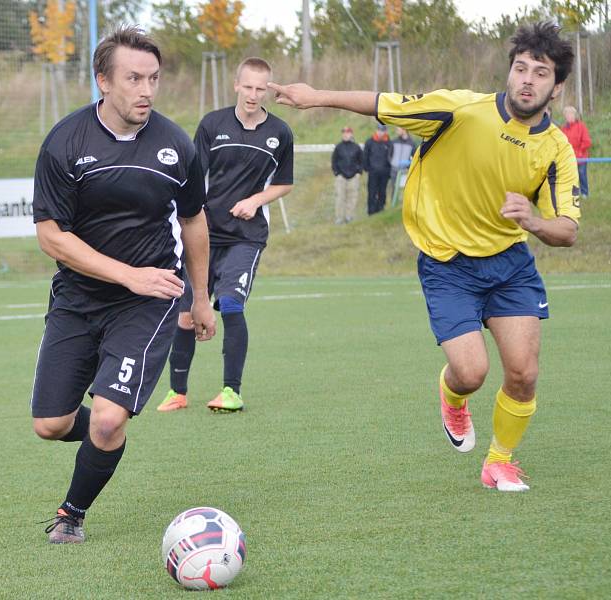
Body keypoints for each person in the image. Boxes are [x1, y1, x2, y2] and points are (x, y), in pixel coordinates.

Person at [270, 21, 580, 492]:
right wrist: (316, 96)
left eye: (540, 73)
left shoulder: (557, 148)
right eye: (520, 68)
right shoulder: (460, 110)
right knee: (472, 372)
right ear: (509, 72)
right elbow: (381, 103)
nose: (527, 79)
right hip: (446, 261)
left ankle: (499, 461)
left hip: (509, 264)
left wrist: (534, 222)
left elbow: (567, 230)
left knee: (523, 372)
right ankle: (452, 396)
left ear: (556, 87)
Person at [30, 26, 215, 544]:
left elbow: (195, 221)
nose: (146, 90)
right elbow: (52, 237)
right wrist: (122, 273)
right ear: (103, 82)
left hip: (150, 297)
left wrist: (200, 298)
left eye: (153, 78)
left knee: (108, 419)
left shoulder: (177, 145)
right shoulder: (66, 143)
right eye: (134, 78)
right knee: (49, 423)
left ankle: (72, 513)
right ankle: (104, 435)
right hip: (77, 298)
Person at [157, 57, 294, 414]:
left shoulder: (280, 133)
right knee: (185, 313)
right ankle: (178, 392)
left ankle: (231, 391)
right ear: (236, 85)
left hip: (246, 237)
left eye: (260, 88)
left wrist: (255, 200)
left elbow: (284, 184)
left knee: (232, 304)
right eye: (247, 86)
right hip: (204, 234)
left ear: (268, 90)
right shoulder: (212, 124)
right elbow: (192, 177)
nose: (252, 94)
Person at [331, 125, 363, 224]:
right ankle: (339, 218)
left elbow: (361, 161)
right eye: (344, 133)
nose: (345, 134)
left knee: (352, 197)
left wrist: (358, 172)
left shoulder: (356, 147)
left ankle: (349, 216)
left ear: (351, 134)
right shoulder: (338, 147)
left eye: (347, 132)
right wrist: (337, 173)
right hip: (341, 177)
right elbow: (334, 161)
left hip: (353, 177)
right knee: (340, 197)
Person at [561, 105, 592, 197]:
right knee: (570, 177)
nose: (569, 116)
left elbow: (587, 141)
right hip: (568, 158)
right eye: (567, 115)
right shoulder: (563, 129)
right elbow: (562, 143)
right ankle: (573, 194)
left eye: (571, 114)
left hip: (581, 157)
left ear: (575, 115)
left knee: (582, 175)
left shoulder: (581, 126)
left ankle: (584, 193)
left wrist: (580, 151)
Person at [363, 123, 391, 215]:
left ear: (385, 131)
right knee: (372, 192)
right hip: (373, 172)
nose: (380, 132)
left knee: (382, 191)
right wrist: (367, 168)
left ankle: (380, 209)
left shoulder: (389, 143)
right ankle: (371, 211)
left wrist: (389, 170)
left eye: (382, 130)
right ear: (376, 130)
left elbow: (391, 157)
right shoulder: (369, 142)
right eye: (379, 130)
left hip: (385, 172)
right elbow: (365, 156)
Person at [388, 126, 417, 204]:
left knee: (404, 190)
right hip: (394, 170)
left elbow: (414, 158)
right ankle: (393, 206)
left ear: (404, 130)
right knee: (394, 189)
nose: (397, 131)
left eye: (398, 129)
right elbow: (389, 155)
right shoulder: (394, 141)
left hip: (405, 171)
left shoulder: (412, 143)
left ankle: (403, 205)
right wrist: (392, 163)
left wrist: (408, 165)